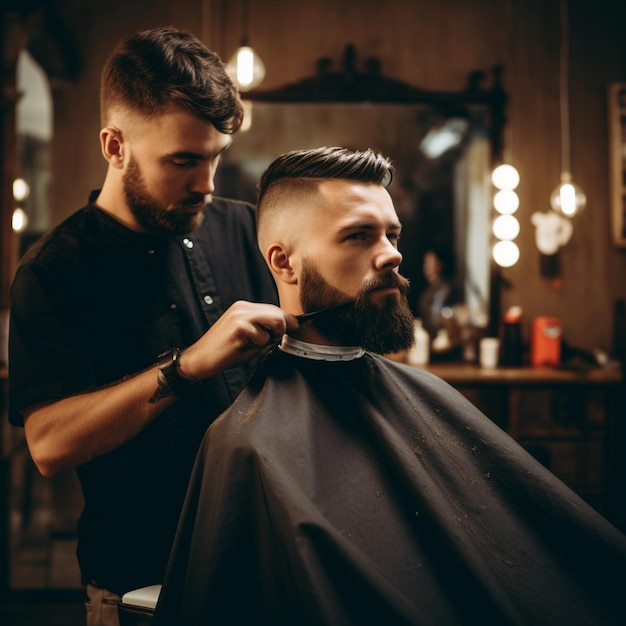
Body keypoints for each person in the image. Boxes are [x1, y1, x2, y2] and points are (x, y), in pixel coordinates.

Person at [153, 147, 626, 625]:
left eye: (392, 234)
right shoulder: (246, 445)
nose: (393, 253)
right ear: (285, 263)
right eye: (358, 235)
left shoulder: (428, 395)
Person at [8, 27, 293, 625]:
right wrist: (187, 365)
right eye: (183, 160)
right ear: (115, 146)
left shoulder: (246, 227)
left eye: (215, 156)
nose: (207, 183)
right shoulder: (55, 271)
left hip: (266, 569)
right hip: (140, 588)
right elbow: (50, 446)